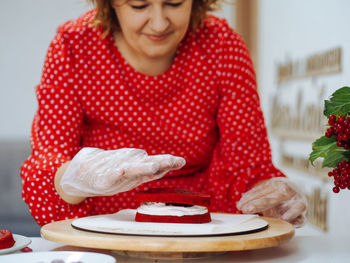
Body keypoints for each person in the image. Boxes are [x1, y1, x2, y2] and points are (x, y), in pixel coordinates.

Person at [20, 0, 307, 227]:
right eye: (139, 5)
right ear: (110, 4)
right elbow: (49, 158)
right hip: (101, 231)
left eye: (174, 3)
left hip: (200, 233)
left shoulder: (222, 46)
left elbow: (247, 166)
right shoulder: (74, 46)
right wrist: (73, 177)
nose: (158, 23)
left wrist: (271, 197)